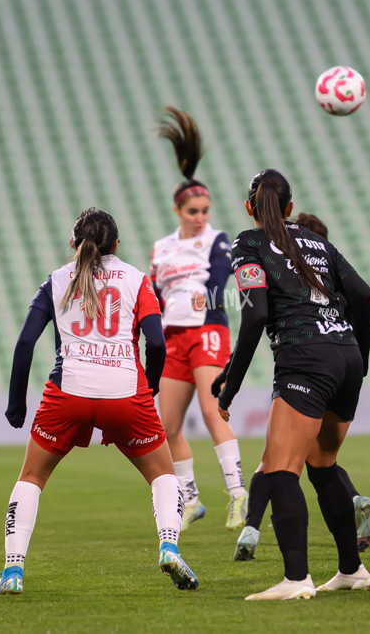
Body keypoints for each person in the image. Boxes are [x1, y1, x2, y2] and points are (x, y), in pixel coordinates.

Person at [0, 208, 198, 595]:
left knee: (32, 478)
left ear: (73, 243)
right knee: (163, 475)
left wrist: (16, 403)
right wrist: (148, 389)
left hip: (67, 393)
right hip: (126, 392)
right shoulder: (137, 280)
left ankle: (12, 572)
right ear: (117, 244)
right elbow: (156, 342)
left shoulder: (55, 280)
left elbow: (23, 344)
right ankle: (169, 546)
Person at [214, 169, 370, 600]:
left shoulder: (248, 244)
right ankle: (351, 569)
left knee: (281, 469)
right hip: (346, 356)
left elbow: (254, 315)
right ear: (289, 207)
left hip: (305, 360)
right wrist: (356, 358)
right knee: (322, 466)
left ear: (250, 208)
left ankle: (296, 579)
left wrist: (229, 387)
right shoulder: (316, 240)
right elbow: (364, 296)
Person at [149, 107, 246, 532]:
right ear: (178, 210)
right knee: (166, 425)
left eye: (205, 209)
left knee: (212, 411)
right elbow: (154, 292)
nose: (201, 217)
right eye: (193, 211)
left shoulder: (217, 240)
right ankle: (189, 501)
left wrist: (205, 306)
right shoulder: (161, 248)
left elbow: (222, 277)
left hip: (207, 330)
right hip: (173, 338)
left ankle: (239, 496)